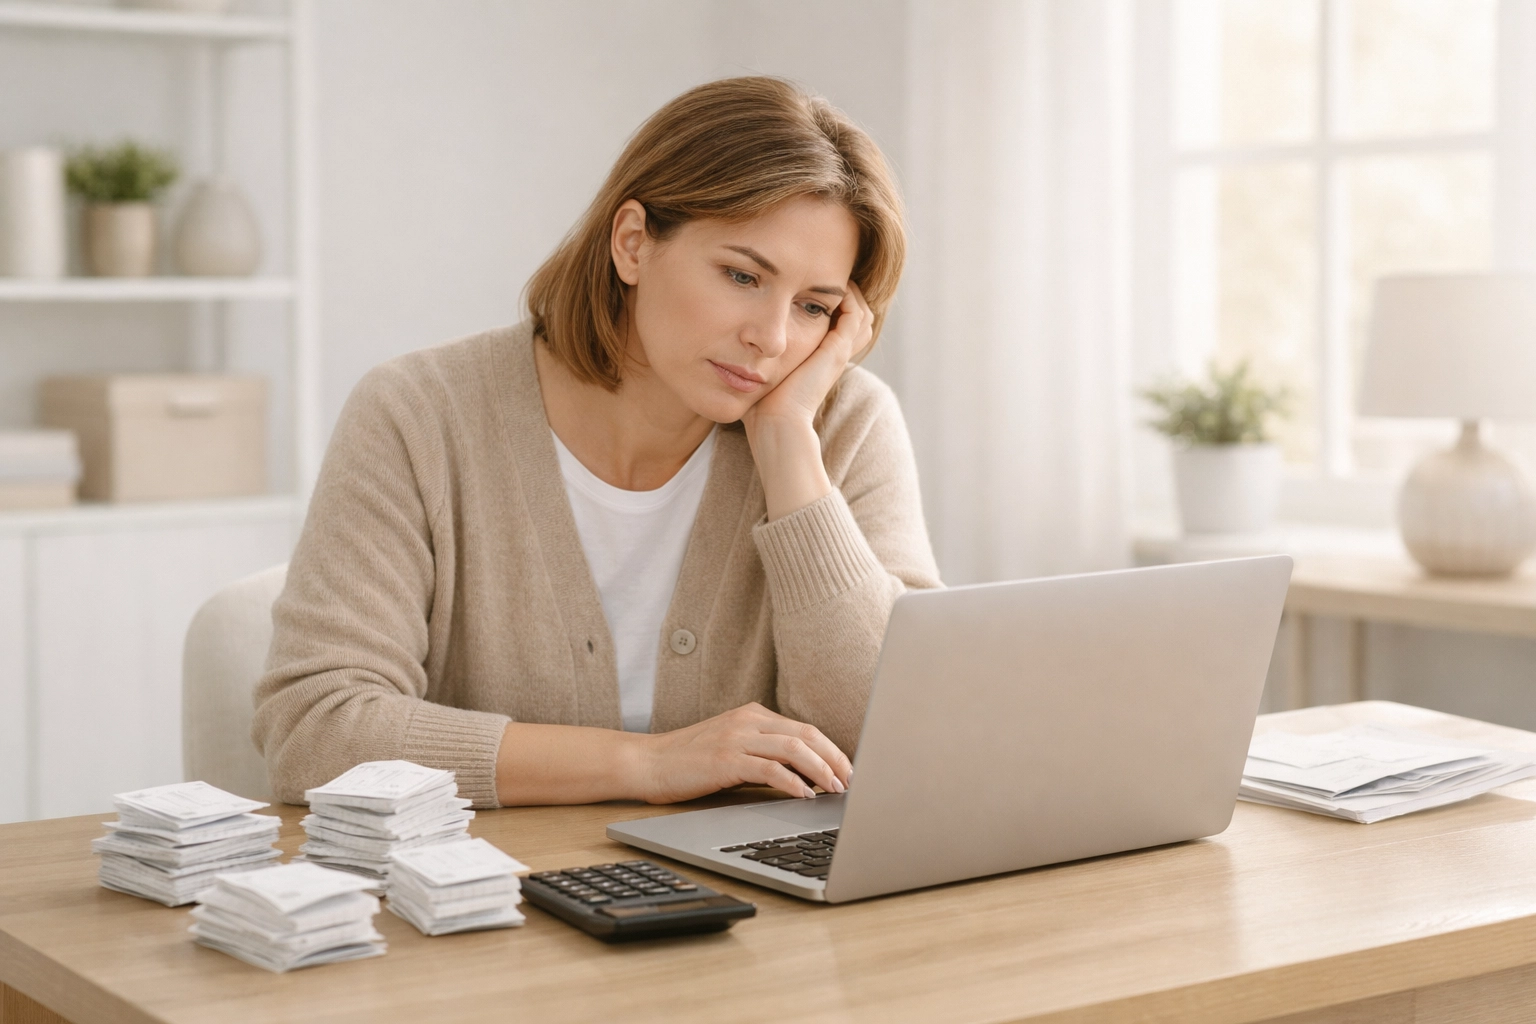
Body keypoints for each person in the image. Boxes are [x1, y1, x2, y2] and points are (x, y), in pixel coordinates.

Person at [253, 77, 941, 809]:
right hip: (490, 900)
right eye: (742, 275)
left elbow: (903, 736)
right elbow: (315, 732)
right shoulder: (419, 415)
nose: (771, 339)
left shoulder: (840, 424)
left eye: (813, 307)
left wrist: (786, 444)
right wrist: (646, 765)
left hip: (761, 911)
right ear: (634, 244)